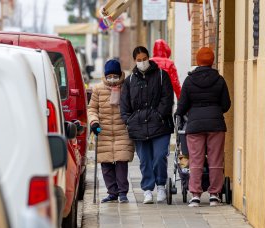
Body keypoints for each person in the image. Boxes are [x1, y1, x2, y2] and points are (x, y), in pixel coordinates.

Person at [175, 47, 231, 207]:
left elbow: (182, 105)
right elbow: (226, 105)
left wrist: (181, 113)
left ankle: (195, 195)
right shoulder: (219, 80)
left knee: (196, 160)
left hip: (195, 125)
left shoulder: (190, 80)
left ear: (198, 61)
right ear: (212, 61)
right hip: (216, 124)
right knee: (215, 159)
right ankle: (214, 195)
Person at [120, 46, 174, 204]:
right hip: (138, 126)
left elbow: (167, 98)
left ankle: (161, 185)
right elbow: (125, 105)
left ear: (149, 58)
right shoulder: (130, 81)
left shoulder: (162, 76)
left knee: (159, 156)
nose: (142, 62)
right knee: (144, 160)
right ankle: (148, 190)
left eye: (144, 59)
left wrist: (159, 115)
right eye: (139, 60)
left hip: (160, 125)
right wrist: (129, 120)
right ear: (134, 61)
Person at [88, 59, 135, 203]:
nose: (112, 79)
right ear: (105, 75)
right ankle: (112, 192)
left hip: (123, 131)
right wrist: (94, 122)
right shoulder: (98, 89)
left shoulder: (127, 87)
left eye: (115, 76)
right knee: (106, 164)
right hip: (104, 131)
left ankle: (122, 192)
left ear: (120, 74)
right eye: (109, 76)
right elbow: (92, 109)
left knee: (121, 163)